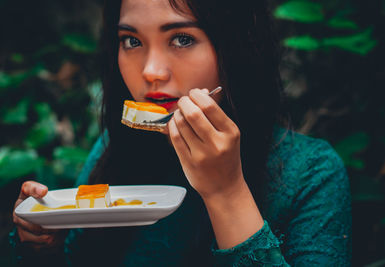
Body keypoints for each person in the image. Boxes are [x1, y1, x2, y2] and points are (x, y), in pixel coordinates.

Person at [10, 0, 351, 266]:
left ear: (237, 47)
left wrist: (226, 192)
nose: (151, 71)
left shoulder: (311, 172)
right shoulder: (116, 146)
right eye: (131, 40)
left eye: (182, 38)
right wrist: (45, 249)